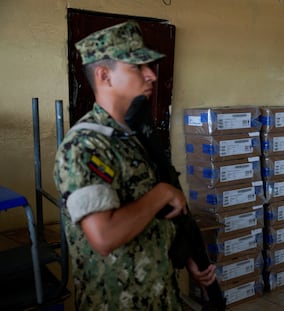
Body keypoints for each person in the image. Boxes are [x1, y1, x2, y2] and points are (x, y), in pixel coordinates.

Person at [54, 21, 216, 310]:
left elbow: (155, 218)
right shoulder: (85, 145)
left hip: (160, 296)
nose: (151, 75)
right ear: (104, 76)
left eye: (149, 67)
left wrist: (185, 253)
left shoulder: (133, 137)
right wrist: (163, 193)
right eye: (137, 67)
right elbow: (104, 236)